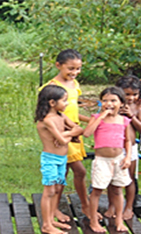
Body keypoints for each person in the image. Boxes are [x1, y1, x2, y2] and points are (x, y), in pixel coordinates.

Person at [42, 49, 99, 222]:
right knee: (77, 171)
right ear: (58, 65)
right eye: (70, 69)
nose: (74, 73)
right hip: (62, 136)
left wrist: (89, 120)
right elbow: (48, 115)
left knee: (64, 173)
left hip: (74, 133)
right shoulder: (50, 89)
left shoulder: (74, 85)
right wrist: (67, 131)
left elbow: (73, 110)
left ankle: (63, 207)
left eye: (78, 69)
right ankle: (81, 206)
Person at [35, 85, 84, 234]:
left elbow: (79, 129)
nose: (67, 104)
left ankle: (50, 220)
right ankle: (46, 225)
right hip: (50, 159)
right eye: (64, 101)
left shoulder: (61, 116)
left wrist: (68, 133)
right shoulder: (47, 120)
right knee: (49, 191)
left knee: (57, 189)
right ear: (51, 102)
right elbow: (63, 140)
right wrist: (70, 133)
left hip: (62, 159)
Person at [83, 87, 134, 233]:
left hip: (119, 160)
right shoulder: (96, 118)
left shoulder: (124, 120)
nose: (109, 104)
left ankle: (119, 220)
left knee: (118, 190)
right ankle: (93, 221)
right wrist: (101, 116)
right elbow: (87, 133)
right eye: (105, 101)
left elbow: (128, 141)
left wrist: (128, 157)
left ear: (121, 103)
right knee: (97, 191)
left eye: (113, 100)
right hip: (102, 161)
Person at [105, 75, 141, 220]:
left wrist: (131, 116)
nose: (131, 98)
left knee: (130, 178)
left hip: (130, 148)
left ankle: (129, 206)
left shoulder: (139, 107)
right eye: (127, 94)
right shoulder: (111, 105)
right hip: (113, 146)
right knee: (111, 178)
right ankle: (112, 205)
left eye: (135, 94)